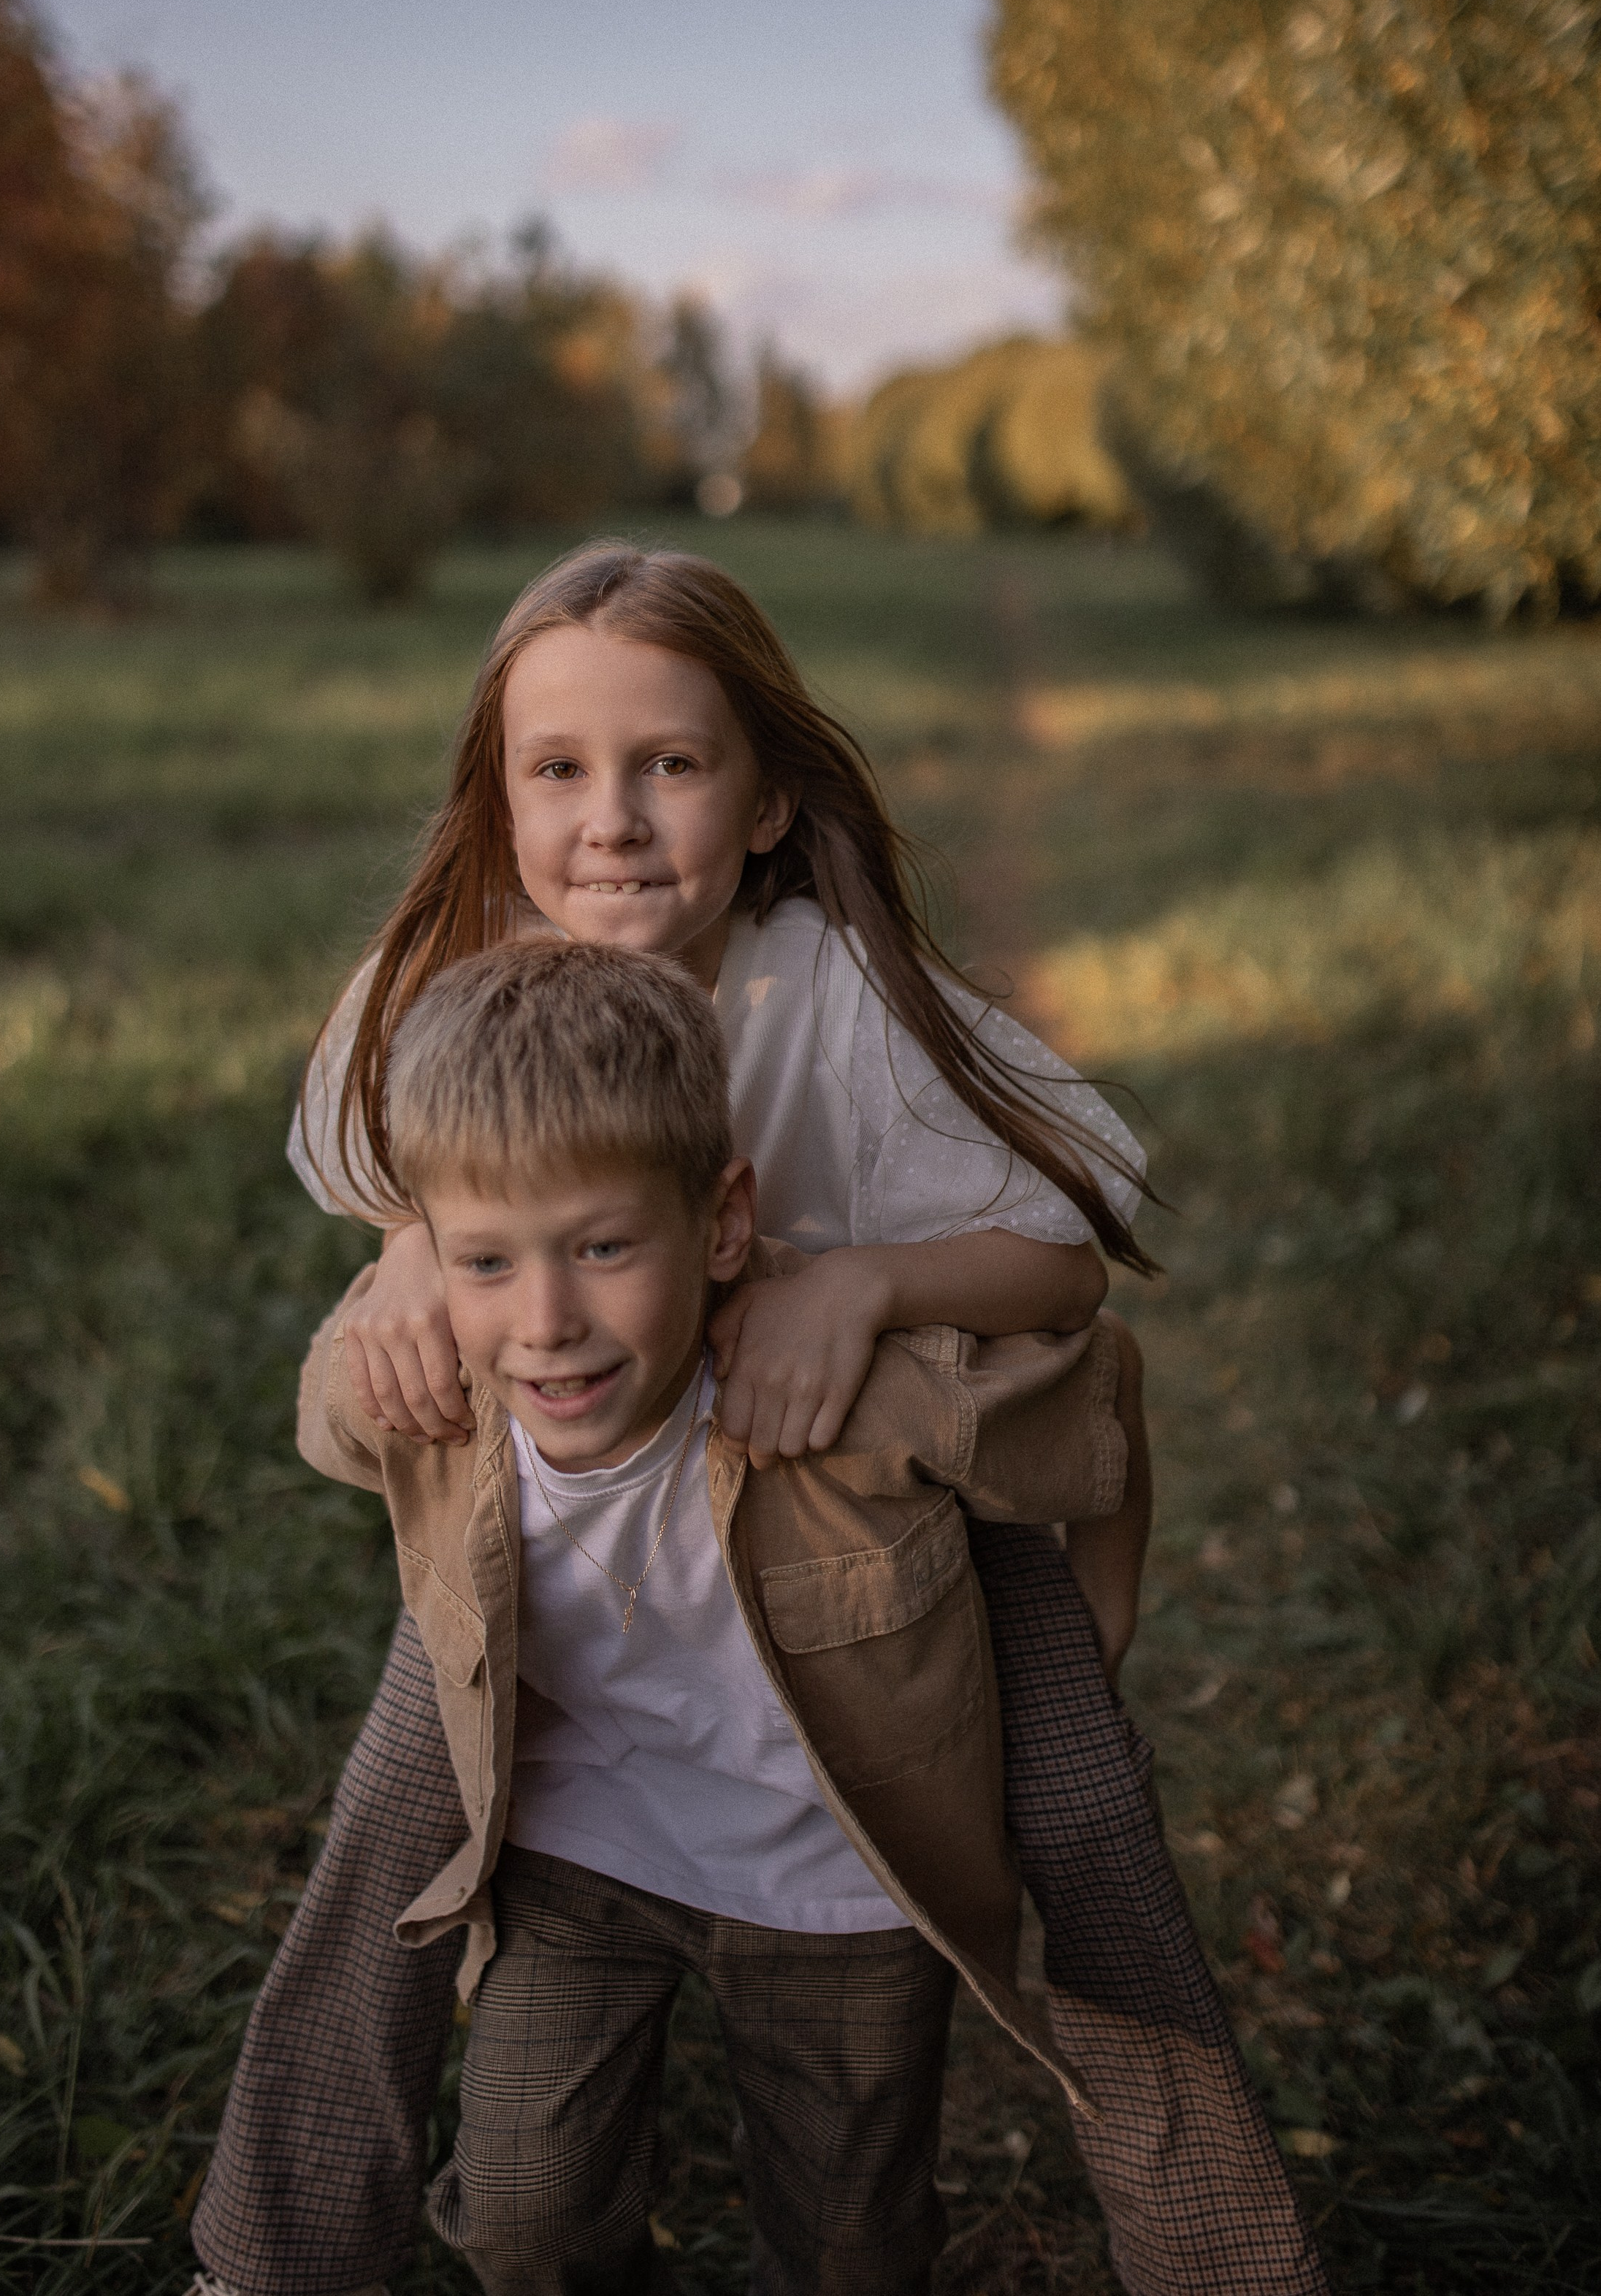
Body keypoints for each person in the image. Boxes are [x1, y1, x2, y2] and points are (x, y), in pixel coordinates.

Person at [190, 540, 1328, 2296]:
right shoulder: (453, 986)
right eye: (557, 769)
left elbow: (1070, 1244)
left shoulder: (840, 1007)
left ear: (770, 795)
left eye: (670, 762)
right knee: (390, 1848)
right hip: (580, 1544)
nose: (612, 821)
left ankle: (1220, 2248)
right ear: (498, 805)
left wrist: (862, 1281)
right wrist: (418, 1242)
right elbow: (397, 1177)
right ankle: (269, 2250)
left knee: (1087, 1837)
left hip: (863, 1509)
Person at [291, 937, 1140, 2295]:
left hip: (836, 1878)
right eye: (488, 1262)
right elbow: (336, 1407)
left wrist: (1097, 1647)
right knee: (523, 2213)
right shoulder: (444, 1398)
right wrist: (392, 1294)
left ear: (725, 1221)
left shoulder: (847, 1401)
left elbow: (1093, 1409)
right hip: (580, 1855)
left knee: (847, 2243)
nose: (549, 1320)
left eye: (605, 1247)